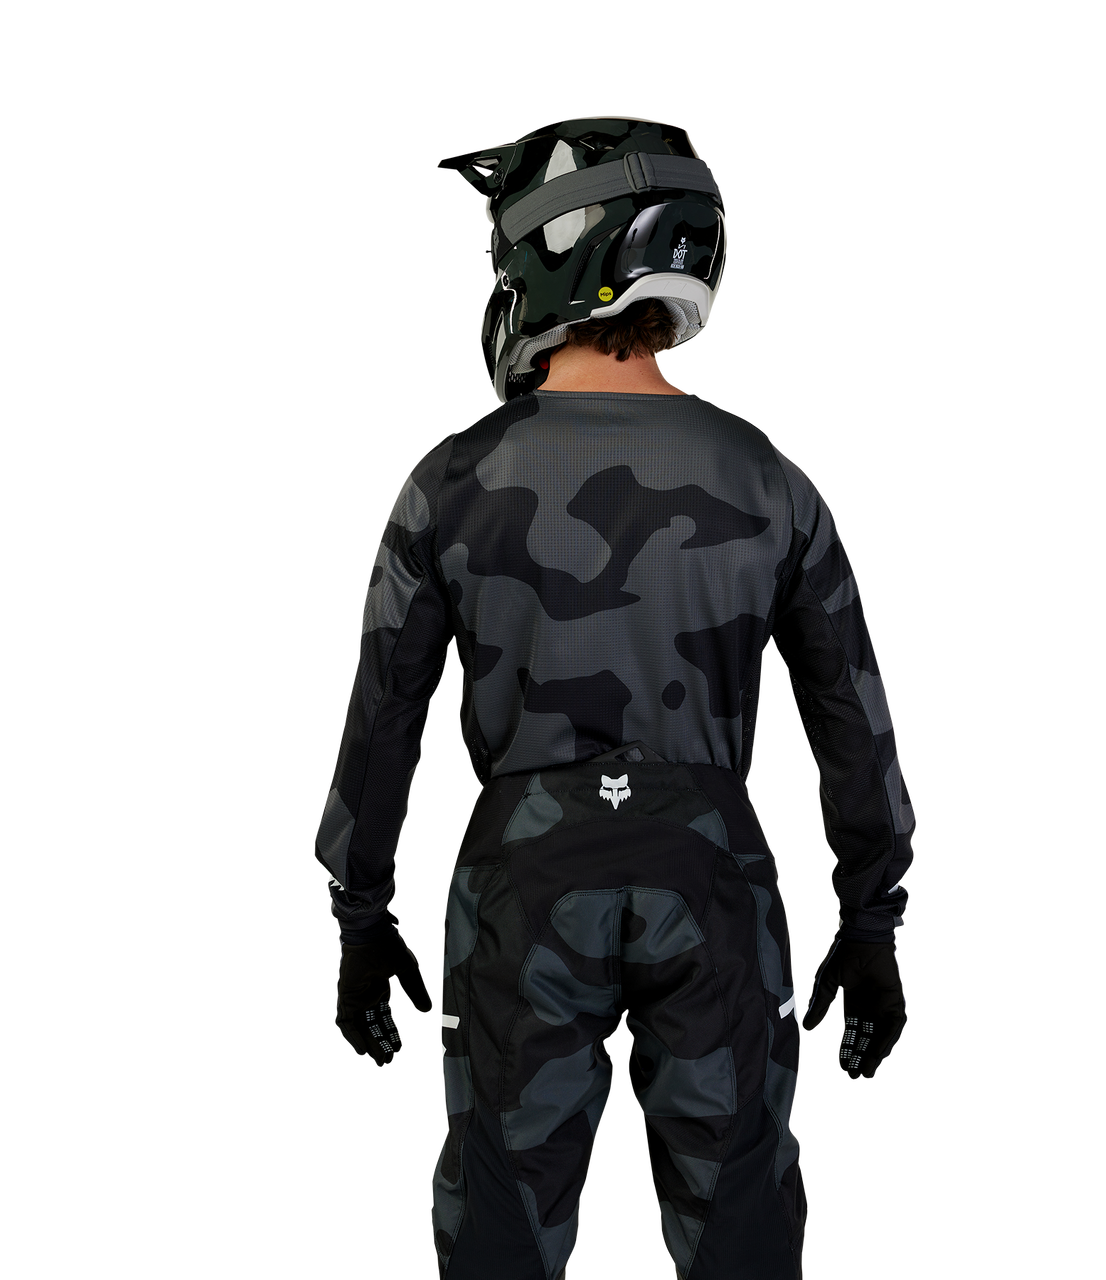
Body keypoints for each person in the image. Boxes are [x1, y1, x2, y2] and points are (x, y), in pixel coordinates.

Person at [312, 113, 917, 1280]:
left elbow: (382, 719)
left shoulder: (449, 477)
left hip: (523, 880)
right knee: (743, 1232)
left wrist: (360, 917)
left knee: (498, 1231)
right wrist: (873, 922)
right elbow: (851, 716)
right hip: (713, 872)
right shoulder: (767, 472)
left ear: (554, 251)